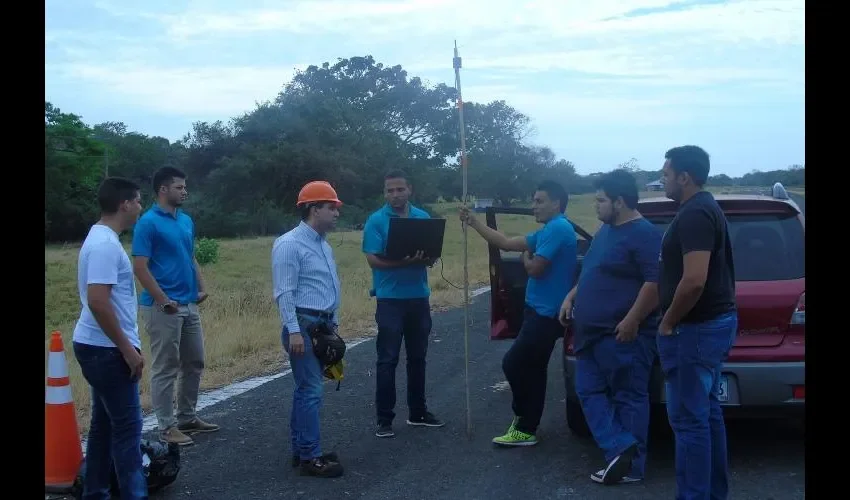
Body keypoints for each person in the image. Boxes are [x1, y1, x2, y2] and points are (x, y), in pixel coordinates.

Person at [558, 169, 661, 485]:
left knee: (628, 397)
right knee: (587, 390)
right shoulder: (605, 231)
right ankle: (619, 446)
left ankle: (632, 467)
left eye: (601, 200)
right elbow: (592, 269)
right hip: (590, 335)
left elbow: (655, 283)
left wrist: (633, 319)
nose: (595, 205)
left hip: (622, 336)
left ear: (619, 202)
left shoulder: (643, 234)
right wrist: (571, 296)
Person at [460, 180, 577, 446]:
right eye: (533, 201)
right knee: (533, 368)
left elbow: (536, 268)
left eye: (539, 201)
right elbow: (506, 242)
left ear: (556, 203)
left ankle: (523, 422)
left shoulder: (558, 228)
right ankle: (527, 427)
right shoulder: (550, 229)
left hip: (547, 315)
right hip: (537, 311)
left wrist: (526, 259)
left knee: (514, 363)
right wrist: (475, 222)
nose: (533, 206)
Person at [657, 145, 738, 499]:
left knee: (690, 421)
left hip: (694, 329)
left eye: (665, 174)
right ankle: (712, 493)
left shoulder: (694, 214)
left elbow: (694, 280)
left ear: (683, 177)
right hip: (708, 326)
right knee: (706, 415)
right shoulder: (704, 209)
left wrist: (668, 321)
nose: (662, 180)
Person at [72, 177, 148, 500]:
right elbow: (98, 301)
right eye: (138, 201)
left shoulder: (101, 238)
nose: (140, 207)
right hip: (106, 350)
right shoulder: (105, 245)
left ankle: (96, 491)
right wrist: (127, 349)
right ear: (125, 204)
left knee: (103, 427)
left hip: (95, 346)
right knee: (128, 430)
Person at [132, 166, 218, 447]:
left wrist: (201, 286)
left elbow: (189, 256)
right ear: (163, 190)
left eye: (184, 187)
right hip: (162, 308)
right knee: (165, 367)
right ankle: (166, 427)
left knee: (194, 361)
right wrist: (162, 299)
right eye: (179, 187)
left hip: (188, 302)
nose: (185, 191)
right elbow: (140, 267)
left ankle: (187, 417)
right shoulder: (147, 223)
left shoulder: (186, 221)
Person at [272, 180, 345, 478]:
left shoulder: (323, 245)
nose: (337, 213)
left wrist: (334, 322)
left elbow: (329, 285)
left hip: (322, 324)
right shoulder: (289, 244)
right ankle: (310, 459)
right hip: (303, 324)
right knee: (311, 390)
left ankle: (302, 449)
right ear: (314, 209)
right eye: (331, 207)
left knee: (307, 390)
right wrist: (293, 331)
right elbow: (284, 292)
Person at [362, 170, 444, 439]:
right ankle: (384, 419)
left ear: (410, 190)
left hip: (419, 296)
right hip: (390, 299)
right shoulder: (376, 220)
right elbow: (373, 260)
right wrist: (403, 262)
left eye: (400, 189)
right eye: (390, 191)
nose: (395, 195)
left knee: (418, 357)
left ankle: (418, 412)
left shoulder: (423, 218)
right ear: (384, 193)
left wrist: (426, 258)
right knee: (388, 359)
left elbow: (431, 256)